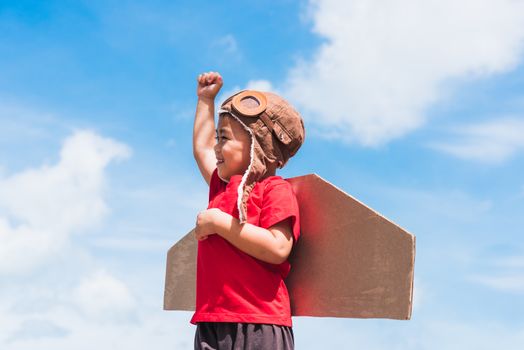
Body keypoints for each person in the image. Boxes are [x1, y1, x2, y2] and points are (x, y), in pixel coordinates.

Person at [191, 71, 305, 350]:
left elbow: (279, 248)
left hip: (259, 322)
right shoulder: (222, 186)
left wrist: (221, 223)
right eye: (217, 138)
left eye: (225, 138)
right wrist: (206, 101)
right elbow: (201, 149)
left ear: (257, 145)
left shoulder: (273, 190)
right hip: (212, 321)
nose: (216, 147)